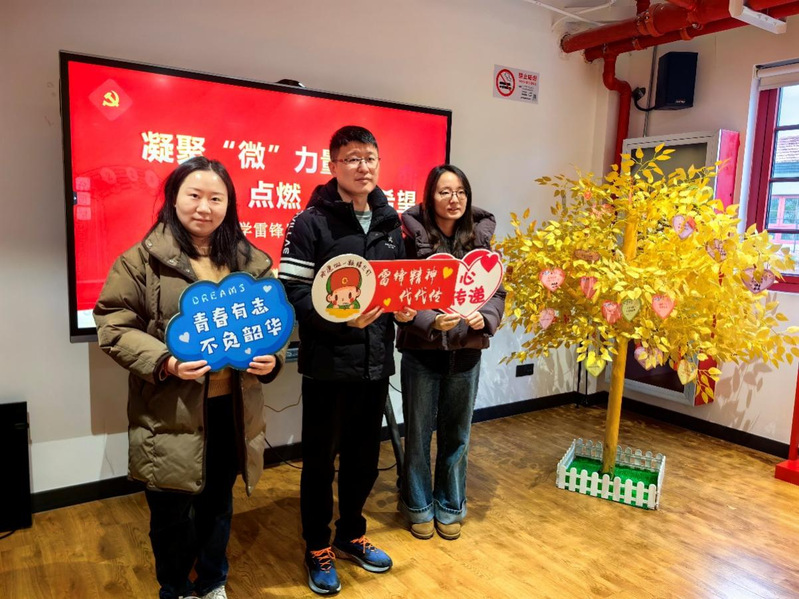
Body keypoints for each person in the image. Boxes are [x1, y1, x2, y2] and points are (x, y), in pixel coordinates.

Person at [94, 157, 285, 599]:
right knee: (170, 512)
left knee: (219, 502)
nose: (204, 207)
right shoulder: (141, 260)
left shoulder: (251, 261)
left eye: (216, 198)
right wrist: (166, 361)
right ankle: (176, 587)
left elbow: (274, 323)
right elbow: (113, 324)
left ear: (229, 205)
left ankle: (213, 580)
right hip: (170, 410)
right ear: (173, 198)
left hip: (231, 409)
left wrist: (272, 360)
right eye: (194, 195)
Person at [278, 126, 415, 595]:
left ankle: (351, 534)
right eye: (352, 158)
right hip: (327, 365)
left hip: (375, 364)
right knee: (320, 463)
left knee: (364, 461)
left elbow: (395, 286)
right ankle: (318, 545)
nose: (363, 167)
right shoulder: (310, 222)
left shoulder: (390, 222)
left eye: (370, 158)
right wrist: (341, 322)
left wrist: (404, 309)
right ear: (332, 165)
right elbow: (292, 293)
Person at [396, 164, 505, 541]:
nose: (453, 199)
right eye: (444, 191)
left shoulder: (480, 242)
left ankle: (450, 504)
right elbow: (400, 294)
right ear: (430, 197)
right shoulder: (410, 240)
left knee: (458, 435)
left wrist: (484, 318)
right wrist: (429, 321)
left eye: (460, 191)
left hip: (466, 353)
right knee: (418, 434)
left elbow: (497, 292)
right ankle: (417, 505)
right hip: (422, 354)